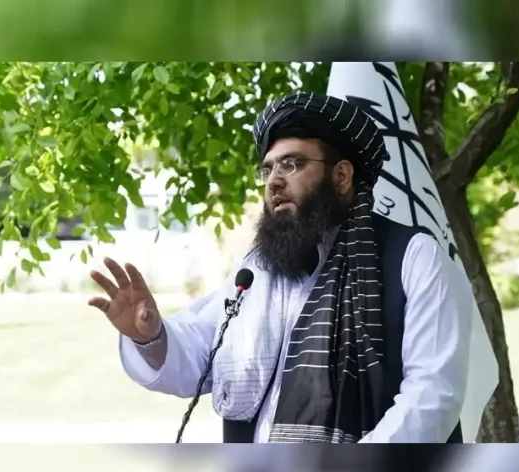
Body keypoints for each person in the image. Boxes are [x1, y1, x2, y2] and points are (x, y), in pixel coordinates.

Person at [88, 92, 480, 443]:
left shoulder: (412, 255)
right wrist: (149, 336)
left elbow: (433, 394)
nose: (274, 181)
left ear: (342, 176)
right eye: (268, 169)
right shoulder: (257, 271)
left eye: (291, 164)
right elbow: (200, 352)